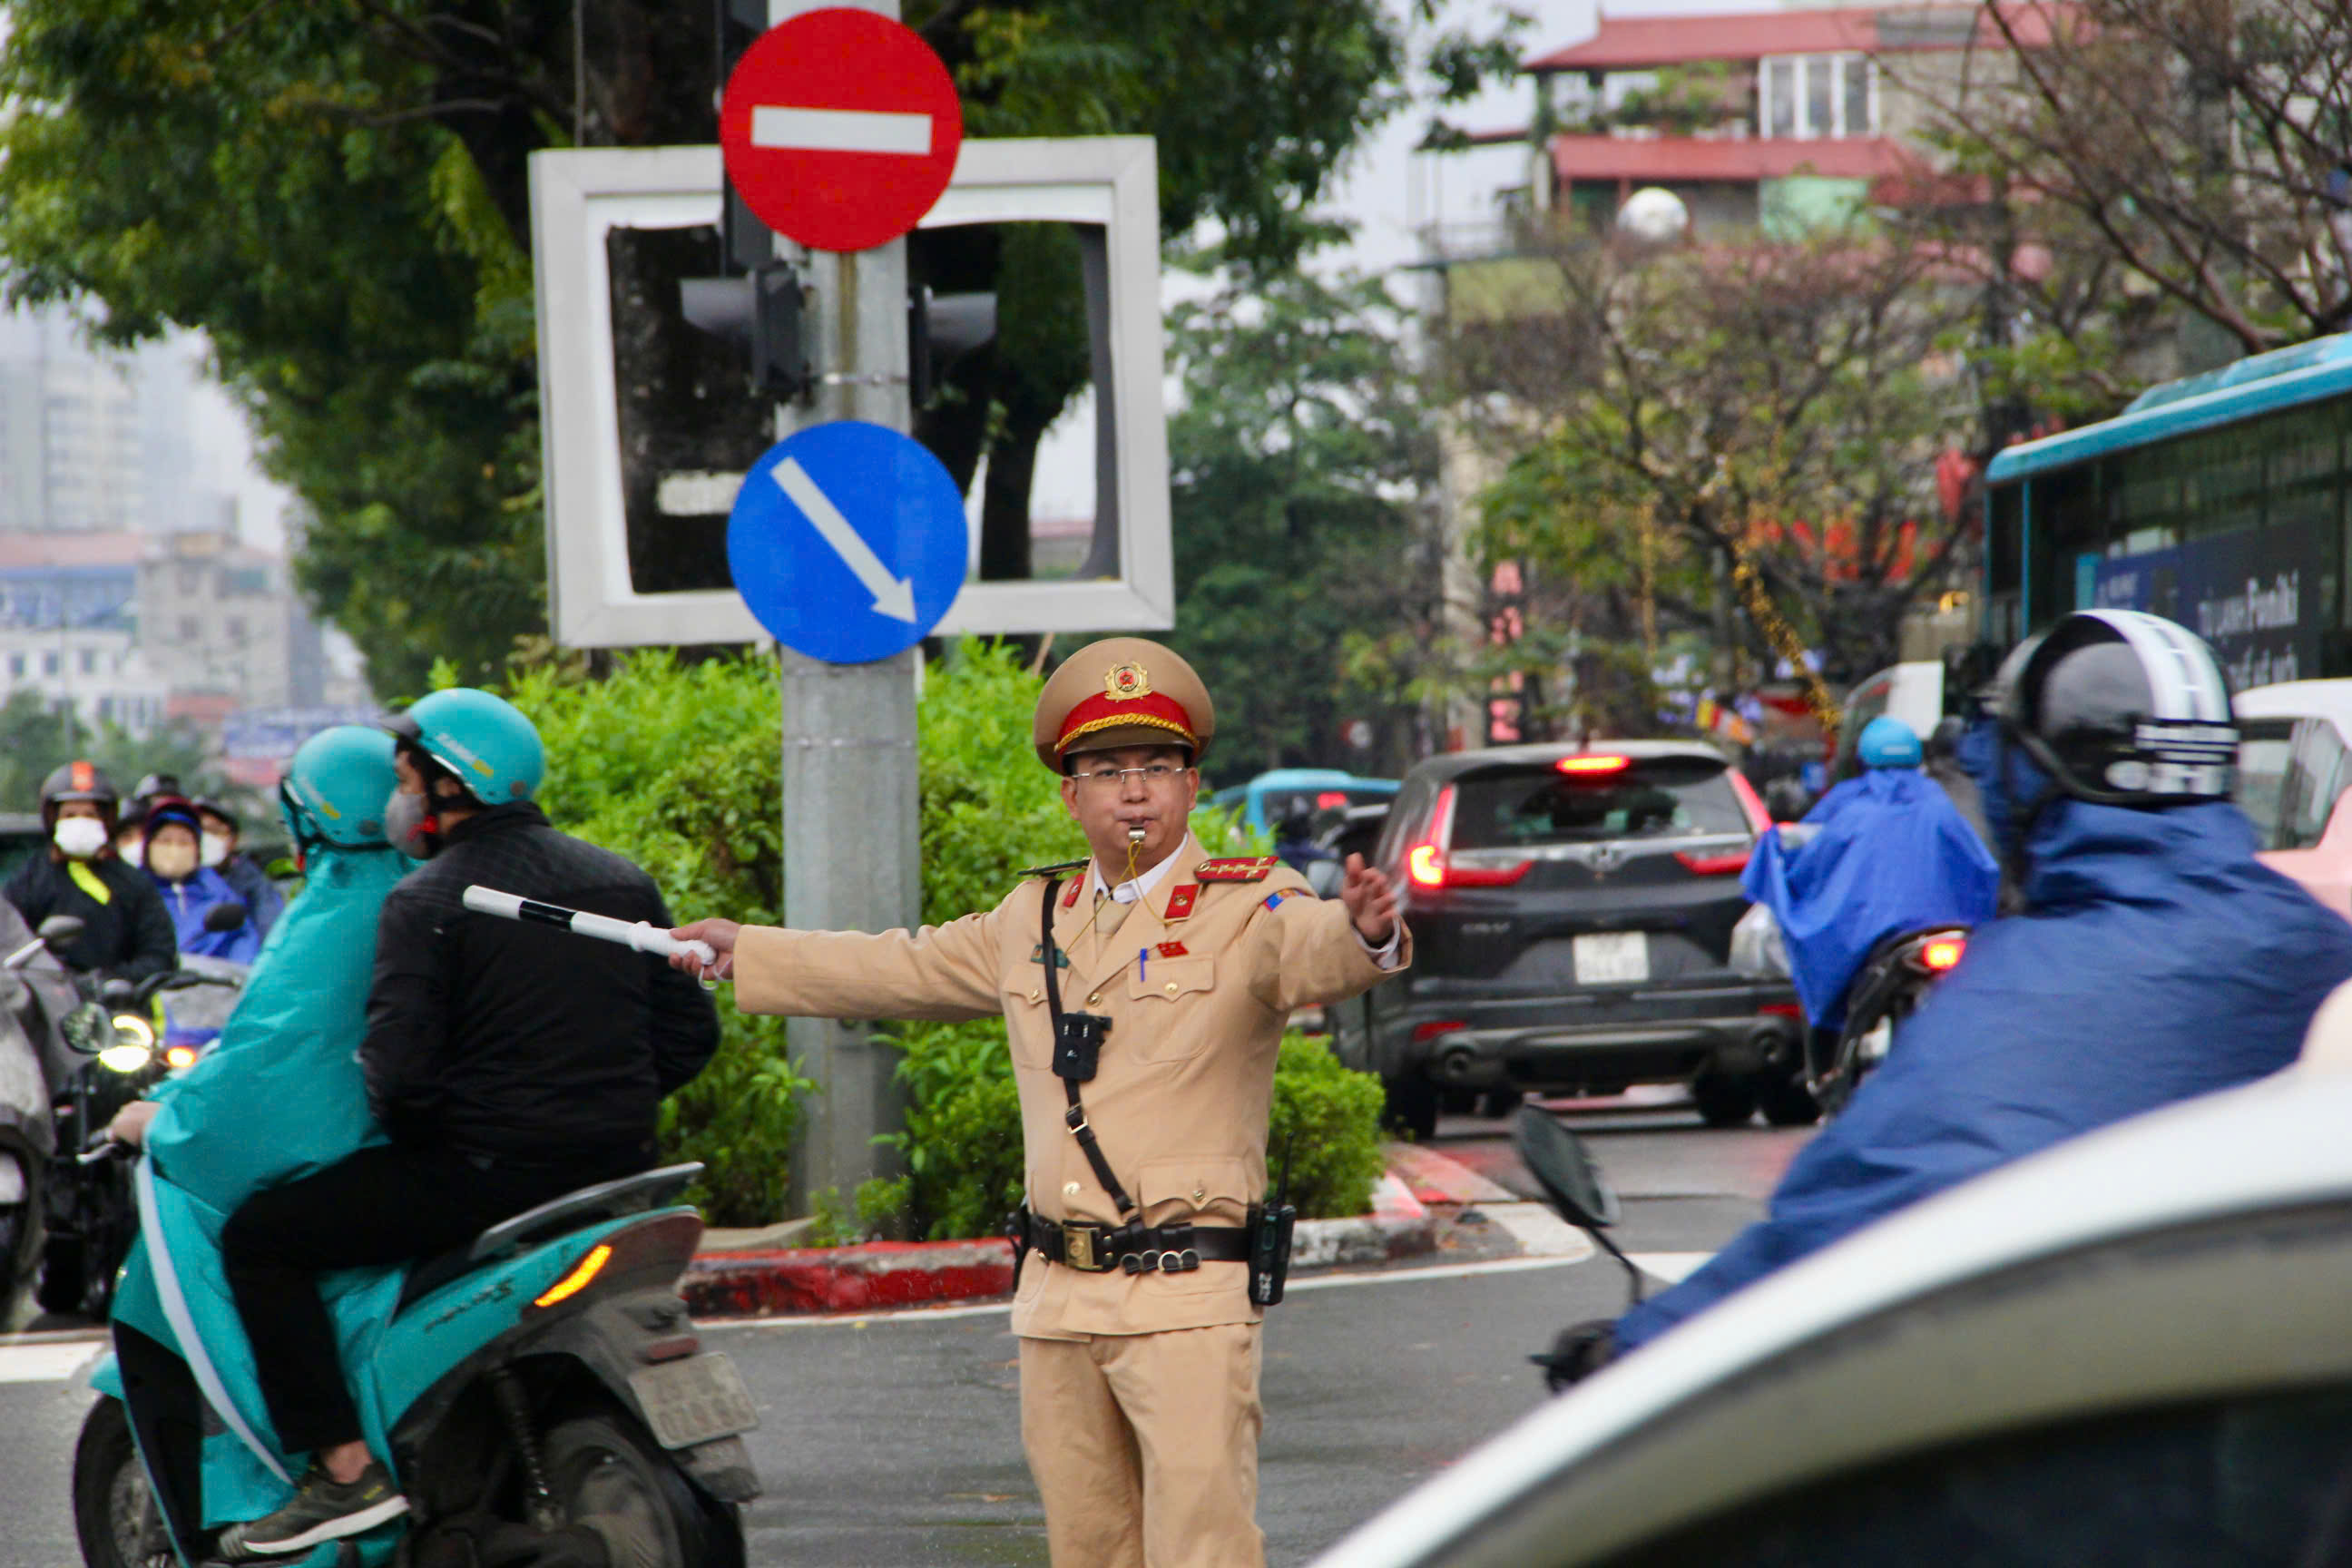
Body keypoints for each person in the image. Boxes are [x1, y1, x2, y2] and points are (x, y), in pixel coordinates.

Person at [671, 638, 1408, 1568]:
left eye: (1156, 766)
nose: (1133, 790)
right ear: (1072, 794)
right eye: (1106, 770)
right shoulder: (1034, 917)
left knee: (1201, 1550)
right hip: (1058, 1299)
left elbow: (1310, 949)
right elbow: (902, 963)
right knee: (1088, 1550)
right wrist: (752, 949)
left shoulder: (1250, 903)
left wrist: (1364, 931)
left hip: (1187, 1298)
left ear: (1191, 784)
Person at [1545, 610, 2352, 1387]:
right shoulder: (2323, 948)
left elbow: (1837, 1229)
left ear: (2028, 778)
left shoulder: (2010, 999)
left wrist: (1643, 1345)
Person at [213, 688, 721, 1556]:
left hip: (483, 1179)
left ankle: (342, 1476)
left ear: (450, 785)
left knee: (262, 1239)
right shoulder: (617, 878)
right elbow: (687, 1037)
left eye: (407, 774)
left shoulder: (428, 901)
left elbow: (403, 1082)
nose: (396, 796)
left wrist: (439, 1127)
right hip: (618, 1167)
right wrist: (600, 1100)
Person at [102, 727, 417, 1550]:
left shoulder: (341, 910)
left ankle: (343, 1469)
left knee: (258, 1242)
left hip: (410, 1165)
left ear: (311, 817)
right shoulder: (419, 888)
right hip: (494, 1151)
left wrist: (167, 1119)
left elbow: (271, 1067)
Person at [1740, 715, 1999, 1035]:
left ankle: (1827, 1072)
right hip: (1944, 934)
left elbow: (1814, 861)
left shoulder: (1850, 806)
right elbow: (1982, 868)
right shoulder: (1941, 804)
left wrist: (1781, 857)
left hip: (1873, 942)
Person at [4, 760, 176, 985]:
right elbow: (10, 949)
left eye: (90, 815)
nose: (80, 822)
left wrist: (114, 980)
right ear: (53, 820)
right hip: (46, 1004)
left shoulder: (134, 883)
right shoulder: (27, 883)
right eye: (70, 815)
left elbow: (159, 953)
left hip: (122, 1005)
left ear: (107, 821)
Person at [142, 798, 265, 965]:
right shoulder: (133, 891)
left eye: (184, 842)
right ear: (149, 845)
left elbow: (243, 943)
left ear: (197, 848)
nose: (174, 849)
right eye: (165, 840)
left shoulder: (218, 893)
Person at [193, 797, 288, 939]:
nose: (206, 839)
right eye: (198, 831)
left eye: (214, 831)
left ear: (233, 839)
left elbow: (272, 934)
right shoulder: (172, 883)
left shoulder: (255, 886)